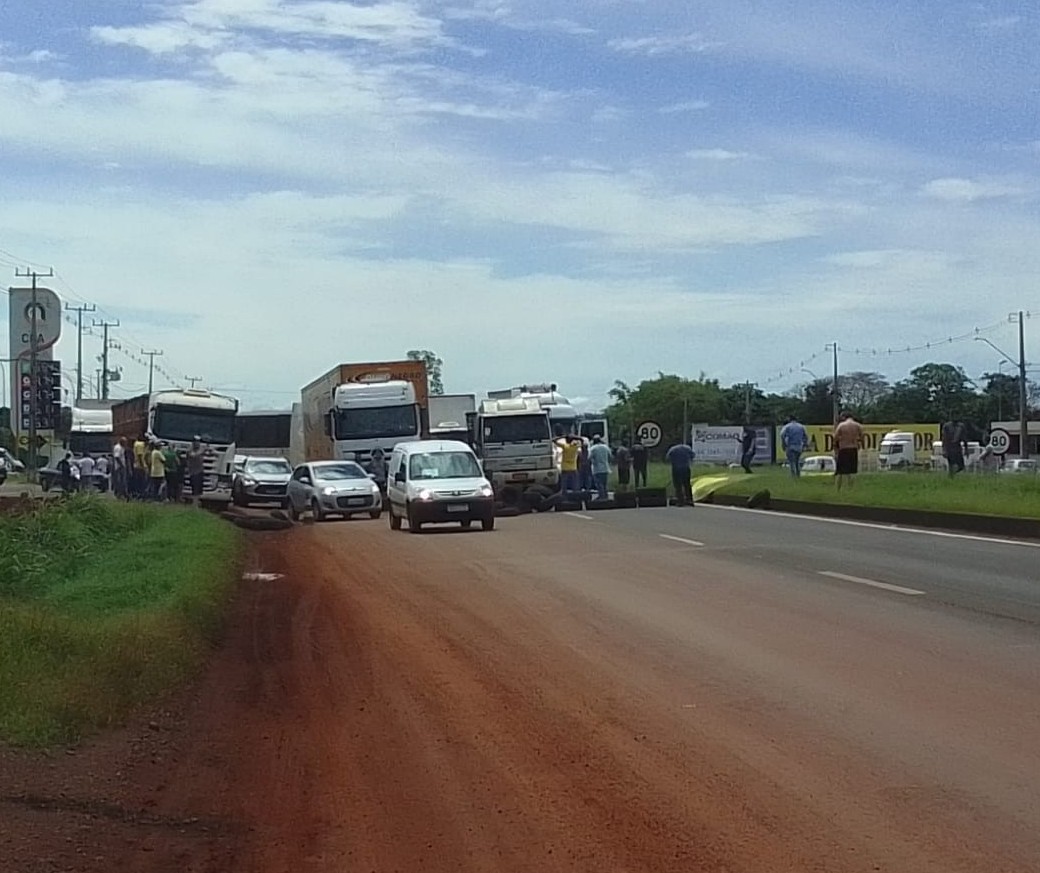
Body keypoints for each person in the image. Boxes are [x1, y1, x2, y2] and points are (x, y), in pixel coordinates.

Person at [833, 411, 863, 489]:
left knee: (840, 472)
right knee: (852, 471)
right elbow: (862, 437)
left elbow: (835, 438)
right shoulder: (858, 425)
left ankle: (837, 489)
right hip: (853, 448)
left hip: (843, 449)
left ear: (844, 417)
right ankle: (851, 488)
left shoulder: (841, 425)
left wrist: (836, 448)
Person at [665, 441, 695, 506]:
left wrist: (673, 461)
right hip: (686, 468)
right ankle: (689, 500)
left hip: (676, 468)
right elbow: (693, 455)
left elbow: (667, 458)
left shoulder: (672, 449)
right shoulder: (687, 448)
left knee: (678, 485)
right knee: (687, 485)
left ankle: (681, 501)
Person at [588, 435, 612, 500]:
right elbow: (610, 456)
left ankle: (601, 496)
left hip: (597, 468)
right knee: (604, 483)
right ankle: (606, 496)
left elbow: (589, 458)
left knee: (599, 483)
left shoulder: (593, 448)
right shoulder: (606, 447)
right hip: (605, 467)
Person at [186, 436, 207, 502]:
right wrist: (202, 451)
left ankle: (197, 502)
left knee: (199, 489)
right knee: (194, 488)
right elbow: (193, 455)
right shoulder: (189, 450)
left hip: (200, 471)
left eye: (198, 442)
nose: (197, 443)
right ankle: (194, 504)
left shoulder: (201, 450)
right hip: (193, 472)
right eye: (196, 442)